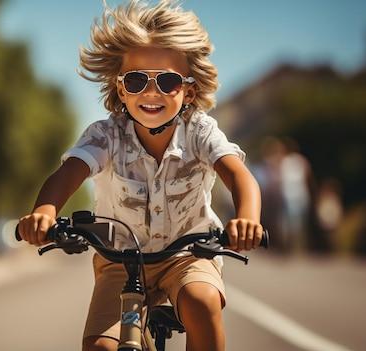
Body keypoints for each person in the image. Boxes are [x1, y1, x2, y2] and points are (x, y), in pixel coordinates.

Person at [16, 1, 264, 350]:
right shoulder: (106, 135)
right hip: (121, 261)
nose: (151, 92)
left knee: (201, 301)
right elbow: (68, 173)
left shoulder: (200, 133)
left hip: (189, 255)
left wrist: (247, 219)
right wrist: (45, 212)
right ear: (121, 89)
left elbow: (239, 175)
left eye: (167, 81)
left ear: (189, 90)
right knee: (100, 347)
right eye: (135, 80)